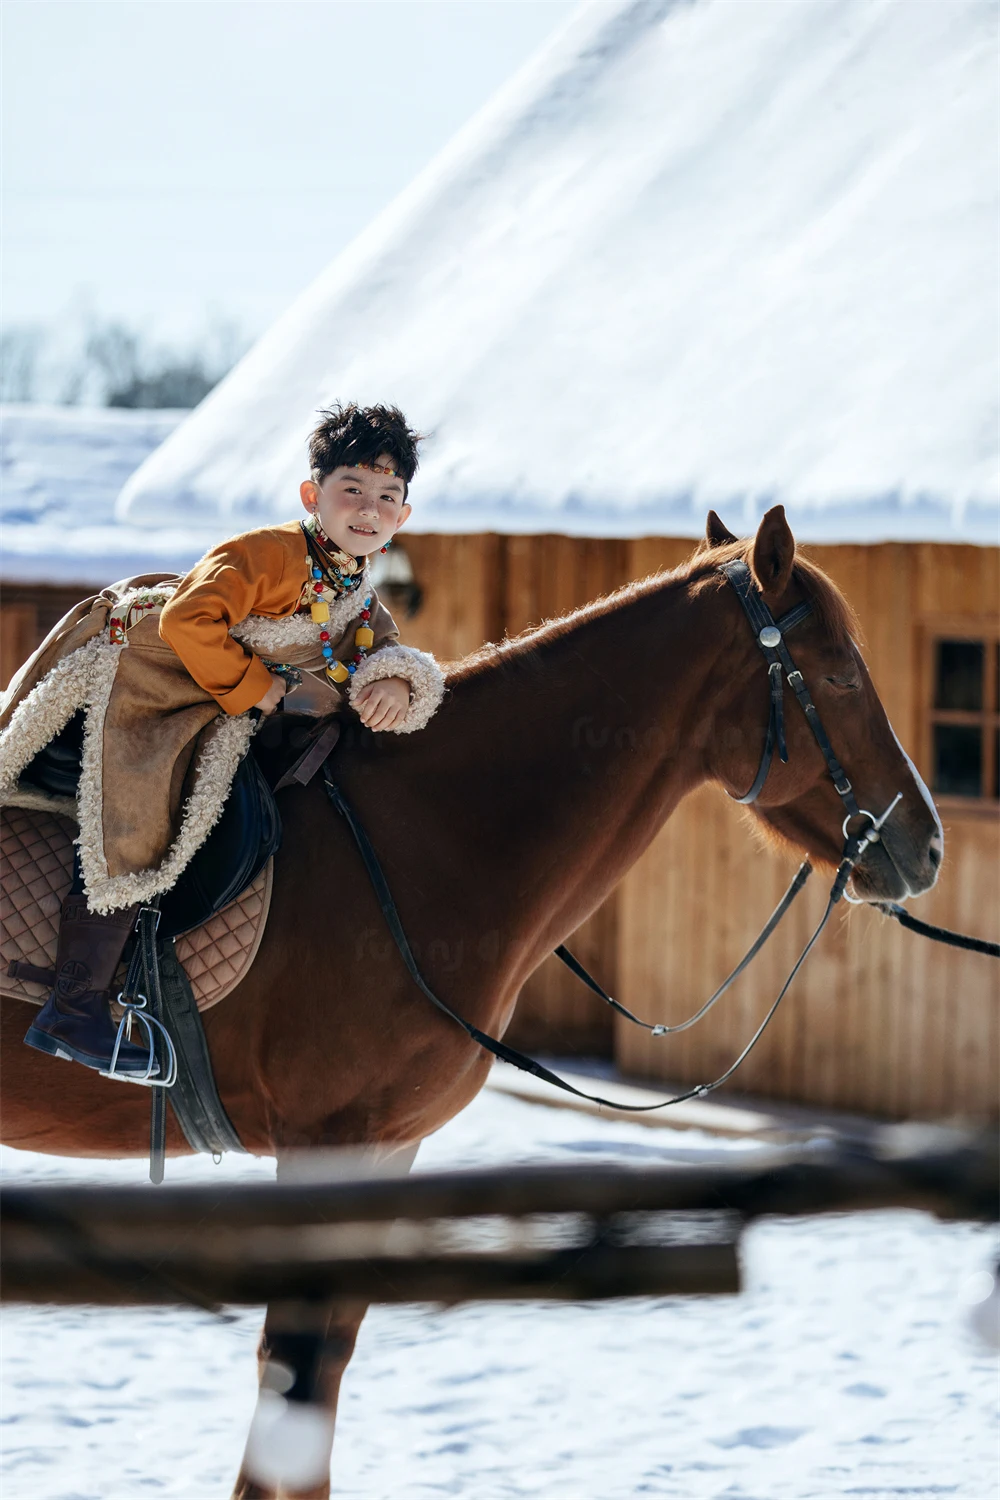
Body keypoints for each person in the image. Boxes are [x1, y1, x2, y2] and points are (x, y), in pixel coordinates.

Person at [1, 403, 445, 1076]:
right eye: (352, 488)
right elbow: (187, 618)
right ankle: (75, 1007)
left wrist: (397, 682)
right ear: (312, 495)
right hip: (150, 678)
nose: (369, 508)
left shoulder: (353, 590)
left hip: (208, 699)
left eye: (388, 496)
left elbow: (378, 649)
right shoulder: (268, 553)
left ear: (403, 516)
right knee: (138, 814)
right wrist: (260, 690)